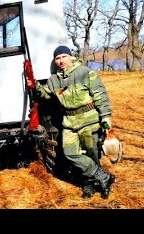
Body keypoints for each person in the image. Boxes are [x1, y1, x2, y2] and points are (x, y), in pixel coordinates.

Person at [26, 45, 116, 199]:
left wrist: (106, 116)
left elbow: (100, 94)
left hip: (89, 120)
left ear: (71, 57)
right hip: (69, 122)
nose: (61, 61)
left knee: (91, 154)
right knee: (70, 153)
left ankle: (89, 184)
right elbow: (46, 94)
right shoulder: (54, 80)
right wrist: (34, 85)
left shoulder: (85, 72)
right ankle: (104, 177)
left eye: (64, 57)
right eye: (57, 58)